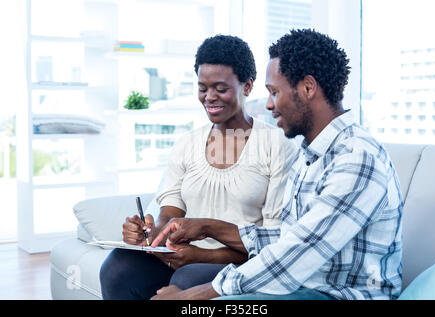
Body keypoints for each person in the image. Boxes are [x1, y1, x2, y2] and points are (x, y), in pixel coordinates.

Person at [150, 29, 404, 300]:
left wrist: (192, 296)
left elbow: (296, 253)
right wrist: (209, 227)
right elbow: (286, 238)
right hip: (301, 287)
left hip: (337, 295)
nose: (269, 105)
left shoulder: (356, 159)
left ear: (307, 88)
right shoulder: (310, 154)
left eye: (274, 92)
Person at [99, 35, 297, 300]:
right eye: (203, 88)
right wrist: (148, 233)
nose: (210, 97)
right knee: (117, 267)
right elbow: (168, 213)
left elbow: (275, 240)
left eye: (220, 88)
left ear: (248, 86)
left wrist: (204, 255)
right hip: (183, 256)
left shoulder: (277, 146)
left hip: (241, 262)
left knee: (187, 278)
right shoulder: (187, 143)